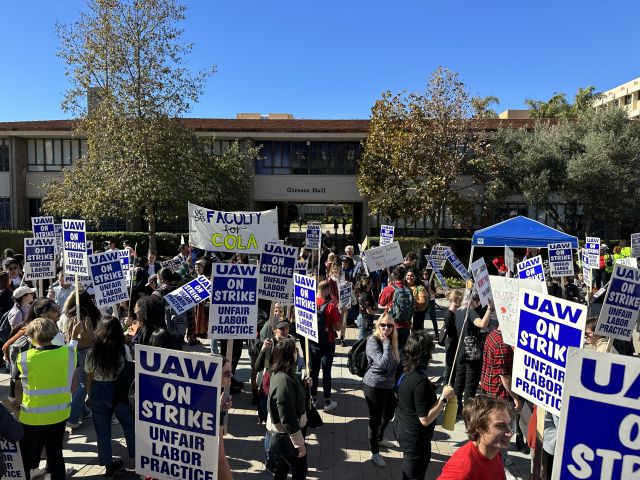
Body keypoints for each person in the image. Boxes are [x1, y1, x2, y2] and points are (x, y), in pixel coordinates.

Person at [18, 317, 79, 480]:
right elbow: (72, 348)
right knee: (55, 454)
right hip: (59, 414)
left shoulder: (23, 358)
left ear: (31, 336)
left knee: (26, 456)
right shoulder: (68, 354)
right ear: (53, 334)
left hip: (31, 416)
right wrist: (74, 337)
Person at [395, 331, 455, 480]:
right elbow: (425, 419)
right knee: (414, 476)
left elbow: (411, 394)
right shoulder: (420, 381)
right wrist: (444, 398)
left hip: (402, 426)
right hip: (414, 437)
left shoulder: (406, 368)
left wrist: (429, 388)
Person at [85, 316, 135, 476]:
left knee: (102, 430)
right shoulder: (123, 348)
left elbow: (89, 374)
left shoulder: (93, 350)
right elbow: (128, 367)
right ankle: (136, 458)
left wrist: (89, 393)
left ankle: (107, 464)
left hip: (99, 390)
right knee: (129, 425)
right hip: (119, 390)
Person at [438, 395, 513, 480]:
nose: (510, 433)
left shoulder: (494, 450)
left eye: (509, 424)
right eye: (500, 426)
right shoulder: (462, 470)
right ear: (479, 428)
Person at [266, 338, 308, 480]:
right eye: (295, 351)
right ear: (289, 356)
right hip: (287, 437)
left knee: (283, 468)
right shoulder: (283, 381)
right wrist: (299, 444)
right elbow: (288, 418)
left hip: (287, 437)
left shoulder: (285, 373)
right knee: (300, 472)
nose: (298, 354)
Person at [363, 313, 400, 468]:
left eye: (390, 325)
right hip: (374, 385)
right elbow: (383, 363)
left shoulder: (393, 341)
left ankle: (379, 437)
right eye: (383, 325)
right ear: (378, 326)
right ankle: (375, 452)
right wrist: (385, 343)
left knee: (390, 413)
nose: (386, 328)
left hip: (388, 386)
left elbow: (396, 364)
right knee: (375, 419)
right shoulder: (373, 341)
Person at [453, 295, 493, 414]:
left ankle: (455, 408)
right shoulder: (470, 312)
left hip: (460, 351)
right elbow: (482, 324)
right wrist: (490, 309)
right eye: (479, 302)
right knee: (470, 384)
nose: (480, 305)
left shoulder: (459, 311)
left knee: (459, 382)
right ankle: (467, 411)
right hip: (472, 354)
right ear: (474, 301)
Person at [310, 281, 341, 411]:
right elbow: (338, 327)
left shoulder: (309, 303)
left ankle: (313, 399)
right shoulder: (331, 306)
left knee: (314, 371)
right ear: (327, 290)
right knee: (326, 372)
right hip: (328, 342)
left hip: (313, 342)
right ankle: (327, 402)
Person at [378, 265, 413, 351]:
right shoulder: (409, 290)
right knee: (402, 349)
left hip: (391, 325)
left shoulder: (389, 289)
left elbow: (381, 303)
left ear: (393, 275)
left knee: (389, 349)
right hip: (406, 324)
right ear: (404, 276)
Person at [441, 289, 463, 384]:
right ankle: (446, 384)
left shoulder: (454, 312)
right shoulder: (449, 314)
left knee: (452, 366)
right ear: (455, 299)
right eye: (460, 299)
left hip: (453, 342)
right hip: (451, 343)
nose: (462, 302)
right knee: (450, 366)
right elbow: (451, 331)